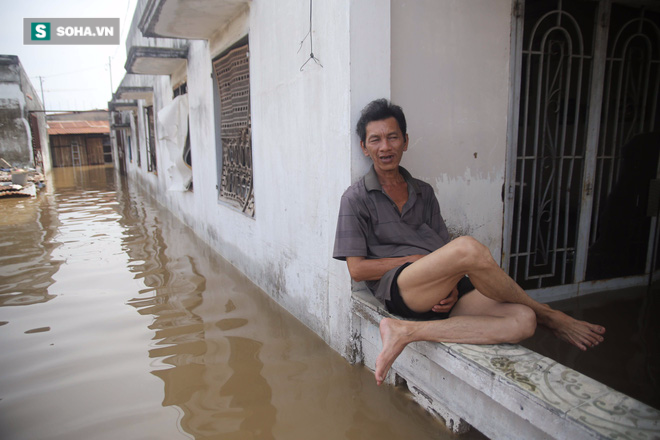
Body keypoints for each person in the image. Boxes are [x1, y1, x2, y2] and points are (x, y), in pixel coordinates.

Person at [333, 98, 606, 386]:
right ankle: (550, 316)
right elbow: (357, 270)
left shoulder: (424, 192)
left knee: (523, 321)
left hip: (442, 286)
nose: (385, 147)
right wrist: (412, 262)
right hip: (402, 288)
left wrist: (450, 285)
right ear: (365, 147)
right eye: (375, 140)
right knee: (467, 248)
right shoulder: (355, 198)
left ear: (405, 141)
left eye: (392, 137)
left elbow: (442, 253)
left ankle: (406, 332)